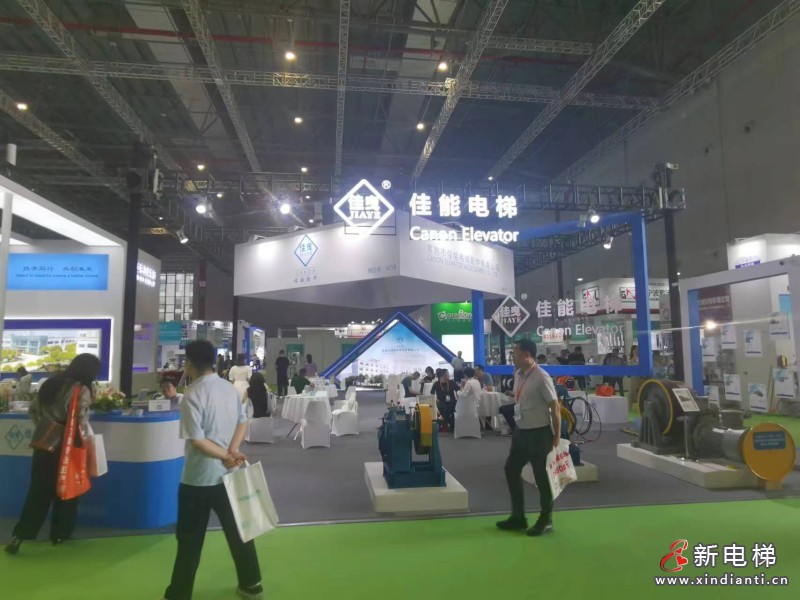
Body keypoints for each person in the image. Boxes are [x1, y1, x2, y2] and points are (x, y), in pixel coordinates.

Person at [161, 340, 262, 600]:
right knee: (240, 532)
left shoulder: (193, 394)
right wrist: (233, 452)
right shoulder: (229, 389)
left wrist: (227, 455)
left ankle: (179, 594)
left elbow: (197, 440)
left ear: (189, 363)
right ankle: (251, 585)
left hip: (198, 479)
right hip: (229, 476)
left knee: (189, 541)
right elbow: (242, 422)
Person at [5, 354, 101, 555]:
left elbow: (32, 410)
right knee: (67, 489)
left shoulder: (50, 384)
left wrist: (46, 427)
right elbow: (81, 421)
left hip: (44, 443)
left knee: (38, 491)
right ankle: (60, 535)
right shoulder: (81, 390)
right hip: (68, 445)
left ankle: (20, 535)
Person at [497, 339, 561, 537]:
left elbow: (555, 407)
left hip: (539, 434)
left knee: (542, 478)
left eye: (515, 354)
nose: (512, 357)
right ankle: (518, 517)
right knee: (511, 469)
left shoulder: (541, 377)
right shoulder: (518, 374)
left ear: (527, 355)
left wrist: (557, 436)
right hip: (521, 432)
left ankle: (546, 520)